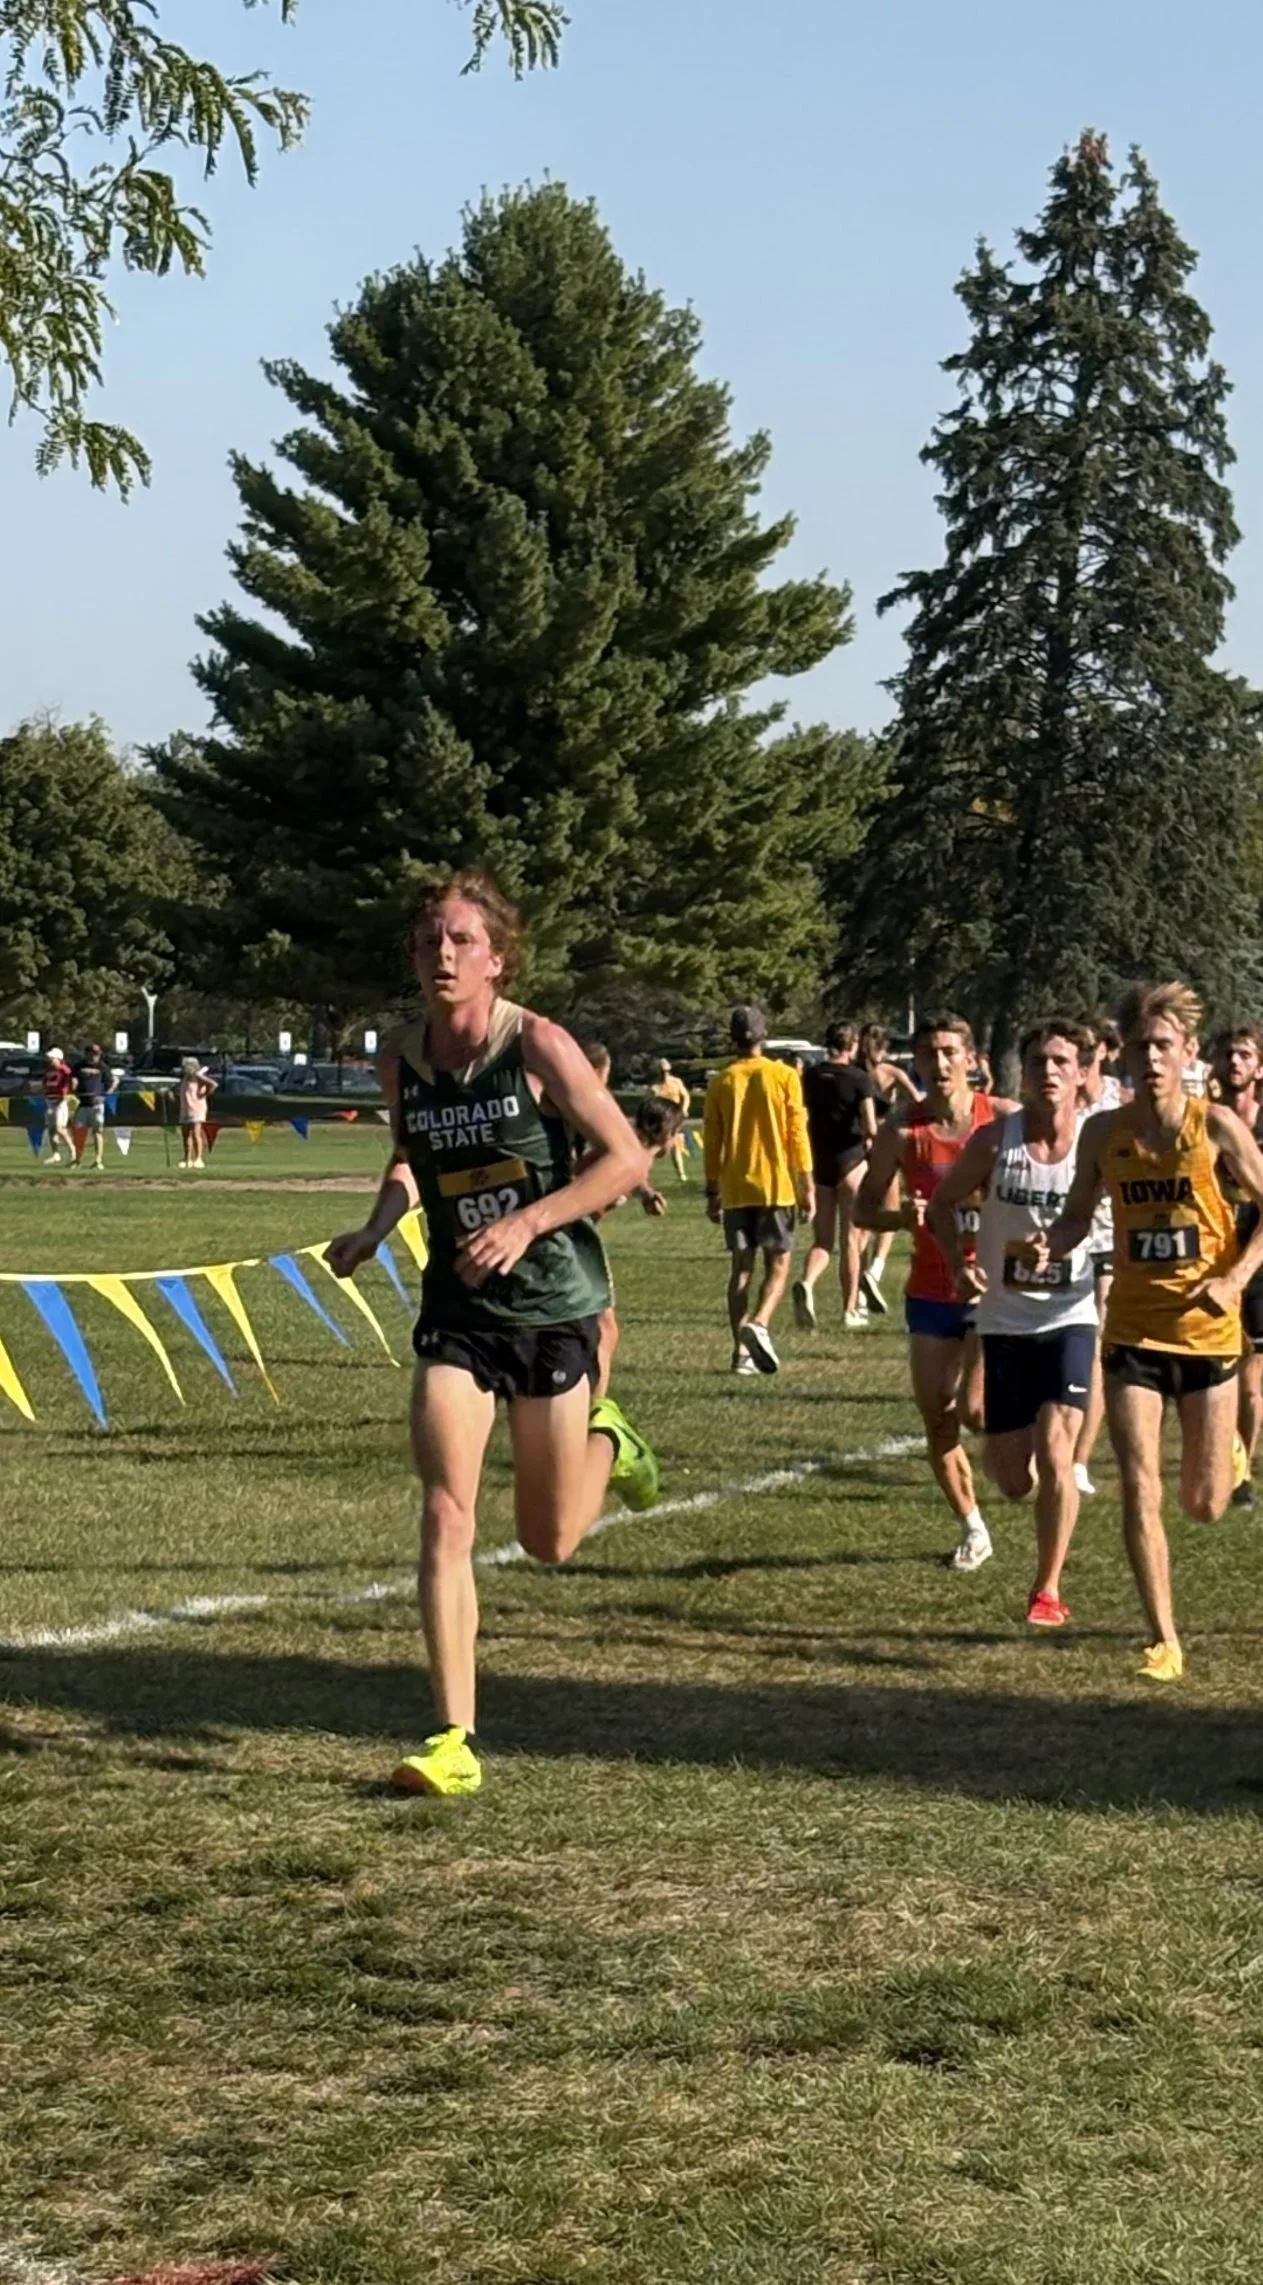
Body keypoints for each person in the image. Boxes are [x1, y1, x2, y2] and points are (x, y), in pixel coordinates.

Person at [327, 869, 659, 1798]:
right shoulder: (401, 1058)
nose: (443, 953)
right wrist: (378, 1222)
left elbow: (627, 1157)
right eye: (430, 938)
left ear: (496, 959)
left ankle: (610, 1436)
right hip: (459, 1312)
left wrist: (528, 1222)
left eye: (461, 939)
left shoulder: (539, 1043)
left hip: (554, 1305)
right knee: (444, 1509)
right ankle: (451, 1737)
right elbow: (408, 1154)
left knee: (549, 1538)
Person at [1029, 980, 1263, 1682]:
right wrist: (1053, 1242)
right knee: (1138, 1486)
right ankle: (1163, 1637)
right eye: (1139, 1046)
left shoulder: (1216, 1126)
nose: (1151, 1057)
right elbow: (1076, 1213)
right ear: (1122, 1056)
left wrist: (1233, 1278)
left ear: (1188, 1053)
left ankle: (1229, 1450)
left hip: (1207, 1332)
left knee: (1204, 1502)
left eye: (1163, 1045)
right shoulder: (1104, 1131)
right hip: (1131, 1331)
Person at [928, 1019, 1098, 1626]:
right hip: (1003, 1324)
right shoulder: (995, 1142)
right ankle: (1038, 1523)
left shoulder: (1095, 1146)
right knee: (1013, 1481)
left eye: (1060, 1062)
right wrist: (958, 1261)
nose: (1048, 1073)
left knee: (1057, 1455)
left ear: (1081, 1074)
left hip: (1071, 1317)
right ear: (1020, 1075)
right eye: (1037, 1063)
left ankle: (1046, 1589)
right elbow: (943, 1207)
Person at [857, 1013, 1011, 1571]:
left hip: (995, 1288)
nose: (940, 1063)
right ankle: (973, 1528)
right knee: (938, 1417)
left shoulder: (1005, 1120)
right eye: (928, 1053)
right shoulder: (900, 1131)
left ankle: (1036, 1433)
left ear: (971, 1059)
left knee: (974, 1409)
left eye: (950, 1052)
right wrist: (901, 1217)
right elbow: (863, 1207)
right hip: (930, 1289)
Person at [703, 1005, 813, 1376]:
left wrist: (712, 1189)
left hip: (736, 1187)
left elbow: (713, 1140)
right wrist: (807, 1182)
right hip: (776, 1185)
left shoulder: (721, 1081)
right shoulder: (783, 1076)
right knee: (779, 1264)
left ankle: (740, 1353)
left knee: (741, 1269)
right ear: (764, 1035)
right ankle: (760, 1323)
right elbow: (797, 1131)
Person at [792, 1022, 878, 1332]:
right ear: (853, 1045)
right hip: (851, 1160)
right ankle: (850, 1308)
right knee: (851, 1240)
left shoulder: (811, 1077)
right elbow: (869, 1126)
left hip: (820, 1161)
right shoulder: (859, 1078)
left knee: (823, 1241)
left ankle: (807, 1281)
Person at [1072, 1013, 1126, 1496]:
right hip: (1064, 1240)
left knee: (1096, 1350)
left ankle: (1079, 1461)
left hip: (1110, 1241)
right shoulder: (1057, 1101)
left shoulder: (1121, 1103)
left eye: (1094, 1049)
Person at [1209, 1023, 1263, 1506]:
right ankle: (1235, 1470)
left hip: (1258, 1258)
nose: (1234, 1063)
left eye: (1244, 1055)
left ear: (1259, 1067)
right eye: (1227, 1054)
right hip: (1212, 1255)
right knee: (1218, 1368)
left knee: (1250, 1387)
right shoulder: (1205, 1124)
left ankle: (1242, 1468)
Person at [856, 1024, 920, 1307]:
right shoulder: (891, 1073)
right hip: (885, 1142)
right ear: (884, 1048)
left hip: (857, 1145)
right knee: (891, 1214)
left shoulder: (857, 1074)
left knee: (864, 1217)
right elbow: (918, 1099)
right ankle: (876, 1268)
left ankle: (856, 1282)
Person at [72, 1042, 116, 1172]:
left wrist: (106, 1095)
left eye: (97, 1054)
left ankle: (98, 1160)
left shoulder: (102, 1067)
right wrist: (73, 1085)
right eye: (92, 1054)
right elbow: (73, 1079)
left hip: (97, 1105)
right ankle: (78, 1159)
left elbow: (112, 1082)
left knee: (97, 1132)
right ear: (87, 1054)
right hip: (83, 1104)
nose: (94, 1057)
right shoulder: (79, 1066)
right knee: (79, 1132)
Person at [650, 1057, 692, 1180]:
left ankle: (681, 1174)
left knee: (676, 1145)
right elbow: (648, 1105)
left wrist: (684, 1109)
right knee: (656, 1147)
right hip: (661, 1120)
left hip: (675, 1118)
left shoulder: (676, 1082)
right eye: (662, 1072)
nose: (665, 1074)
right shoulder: (655, 1088)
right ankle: (641, 1172)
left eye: (666, 1071)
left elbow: (686, 1096)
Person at [177, 1057, 217, 1169]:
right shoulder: (184, 1078)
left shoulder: (198, 1077)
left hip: (197, 1108)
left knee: (196, 1133)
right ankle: (187, 1159)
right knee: (185, 1135)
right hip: (185, 1108)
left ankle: (199, 1159)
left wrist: (203, 1095)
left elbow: (213, 1085)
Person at [39, 1048, 76, 1166]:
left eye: (52, 1058)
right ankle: (55, 1154)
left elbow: (72, 1081)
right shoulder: (48, 1070)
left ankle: (72, 1150)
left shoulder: (64, 1070)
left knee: (60, 1128)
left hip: (60, 1102)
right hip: (50, 1101)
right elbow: (45, 1083)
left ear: (58, 1059)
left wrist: (67, 1093)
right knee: (51, 1130)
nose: (49, 1060)